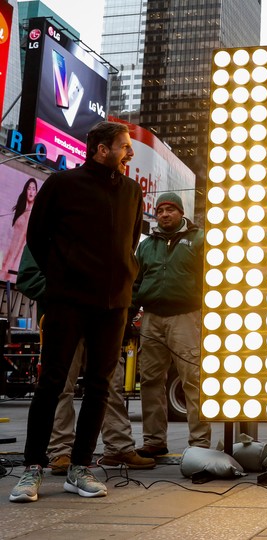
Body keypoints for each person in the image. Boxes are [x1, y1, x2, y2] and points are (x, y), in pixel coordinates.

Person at [10, 121, 143, 503]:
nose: (129, 153)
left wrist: (124, 280)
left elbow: (130, 242)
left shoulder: (132, 191)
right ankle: (32, 468)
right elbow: (37, 236)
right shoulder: (62, 184)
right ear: (102, 150)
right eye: (124, 146)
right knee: (51, 382)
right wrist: (61, 278)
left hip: (113, 304)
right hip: (67, 300)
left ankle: (80, 468)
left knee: (100, 386)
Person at [15, 246, 154, 475]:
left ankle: (118, 446)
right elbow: (28, 276)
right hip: (65, 315)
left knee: (108, 384)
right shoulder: (54, 231)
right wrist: (62, 299)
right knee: (61, 384)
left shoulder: (106, 228)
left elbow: (126, 268)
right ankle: (61, 450)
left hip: (102, 315)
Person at [132, 192, 210, 457]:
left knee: (193, 379)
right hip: (152, 317)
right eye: (160, 210)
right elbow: (136, 282)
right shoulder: (146, 245)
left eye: (170, 210)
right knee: (151, 381)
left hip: (187, 316)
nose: (164, 214)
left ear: (181, 212)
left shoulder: (199, 239)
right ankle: (154, 441)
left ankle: (200, 443)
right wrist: (128, 314)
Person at [1, 177, 38, 282]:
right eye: (29, 188)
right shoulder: (23, 210)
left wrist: (10, 266)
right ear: (25, 190)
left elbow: (21, 243)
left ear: (36, 192)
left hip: (15, 261)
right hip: (8, 255)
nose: (31, 191)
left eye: (33, 189)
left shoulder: (31, 214)